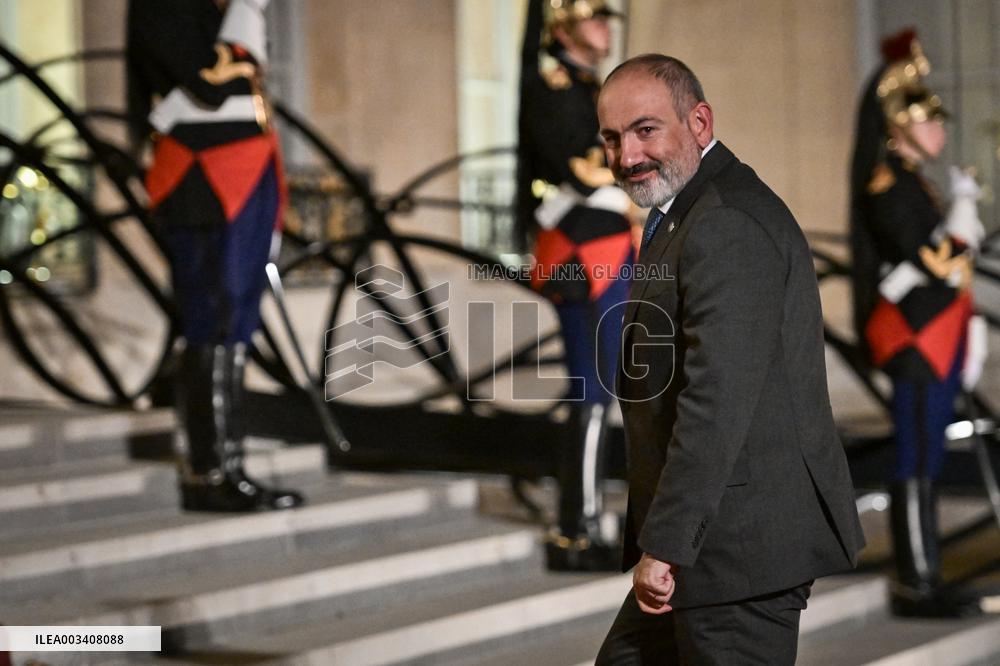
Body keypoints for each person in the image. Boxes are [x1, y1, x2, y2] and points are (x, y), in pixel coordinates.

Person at [594, 54, 865, 663]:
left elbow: (715, 400)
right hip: (708, 542)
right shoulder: (684, 213)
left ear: (699, 122)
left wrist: (663, 547)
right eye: (611, 137)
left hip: (739, 552)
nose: (626, 156)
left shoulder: (725, 221)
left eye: (645, 130)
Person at [127, 0, 304, 512]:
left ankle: (229, 463)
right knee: (213, 315)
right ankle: (207, 472)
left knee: (239, 318)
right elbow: (211, 81)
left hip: (248, 168)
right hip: (202, 174)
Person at [850, 29, 986, 618]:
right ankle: (917, 579)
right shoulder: (890, 184)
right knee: (916, 456)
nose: (939, 131)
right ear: (898, 125)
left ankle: (928, 573)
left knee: (929, 455)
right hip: (915, 338)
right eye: (927, 120)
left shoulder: (914, 182)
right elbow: (939, 260)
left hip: (937, 333)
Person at [516, 0, 637, 571]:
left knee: (602, 386)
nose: (604, 28)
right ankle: (574, 530)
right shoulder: (553, 81)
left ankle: (586, 519)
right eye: (595, 17)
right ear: (563, 23)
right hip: (578, 252)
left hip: (609, 246)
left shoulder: (592, 85)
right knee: (590, 386)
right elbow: (579, 166)